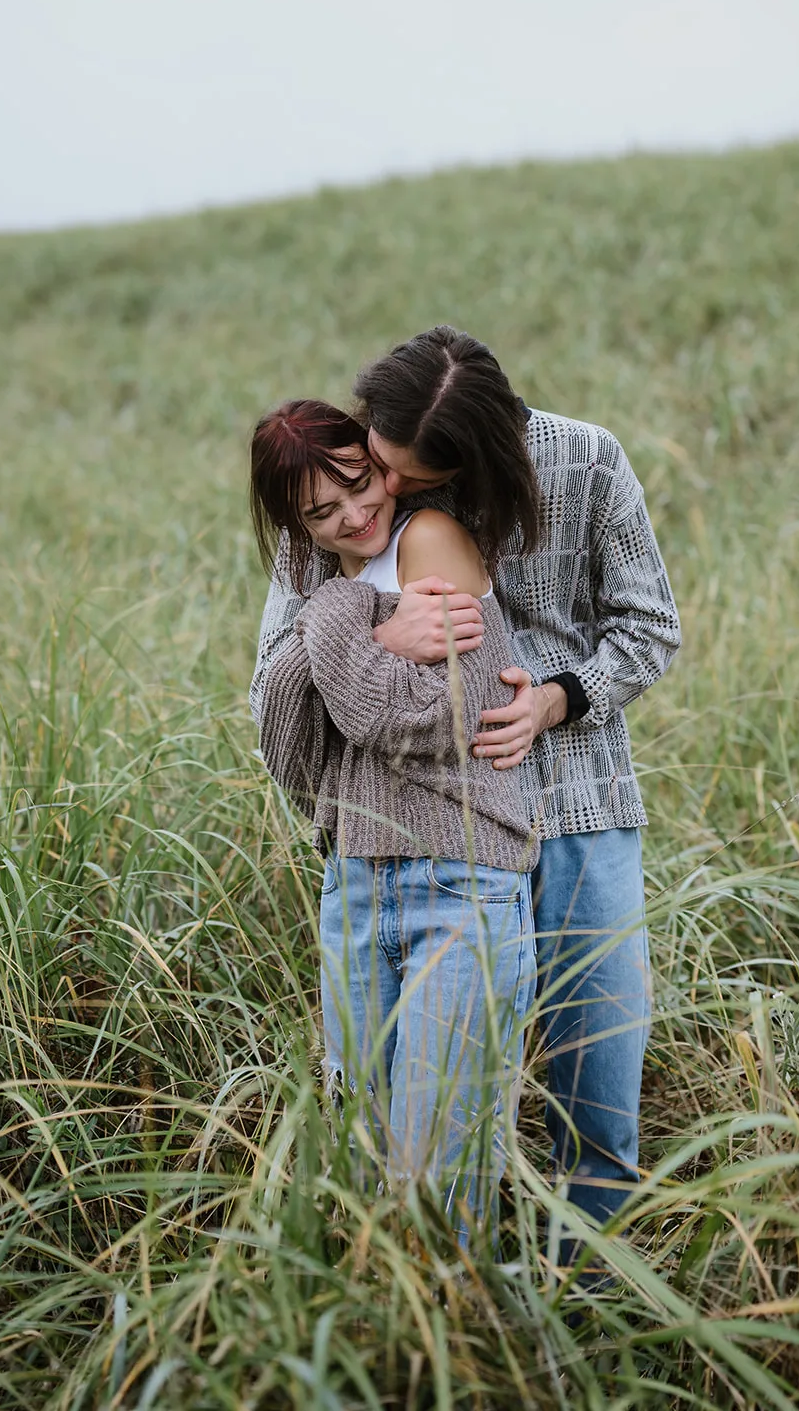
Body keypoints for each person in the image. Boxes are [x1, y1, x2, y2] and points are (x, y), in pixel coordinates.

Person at [250, 327, 682, 1265]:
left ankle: (587, 1302)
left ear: (479, 456)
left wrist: (556, 701)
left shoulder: (584, 458)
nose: (385, 492)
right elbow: (273, 685)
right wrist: (365, 621)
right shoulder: (339, 490)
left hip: (576, 807)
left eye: (405, 477)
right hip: (415, 832)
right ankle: (430, 1297)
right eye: (382, 464)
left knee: (595, 1086)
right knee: (409, 1108)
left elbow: (649, 626)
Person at [249, 397, 539, 1244]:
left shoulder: (428, 538)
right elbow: (283, 738)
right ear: (294, 527)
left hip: (457, 882)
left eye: (357, 481)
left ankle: (463, 1351)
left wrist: (335, 634)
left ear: (376, 457)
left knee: (440, 1170)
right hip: (353, 884)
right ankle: (389, 1359)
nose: (353, 514)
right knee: (362, 1156)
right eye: (321, 512)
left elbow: (439, 717)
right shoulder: (322, 582)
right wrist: (360, 630)